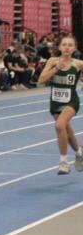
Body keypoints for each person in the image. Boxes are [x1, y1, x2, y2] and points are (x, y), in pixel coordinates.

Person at [38, 34, 83, 175]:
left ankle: (63, 162)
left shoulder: (79, 64)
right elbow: (41, 80)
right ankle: (79, 152)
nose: (67, 48)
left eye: (70, 45)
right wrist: (56, 68)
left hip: (71, 101)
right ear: (59, 47)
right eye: (64, 45)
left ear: (74, 48)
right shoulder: (52, 61)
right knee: (67, 132)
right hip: (56, 102)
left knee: (59, 125)